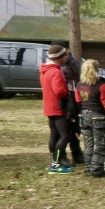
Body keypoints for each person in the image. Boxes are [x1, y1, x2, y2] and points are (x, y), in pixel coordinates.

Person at [75, 59, 105, 178]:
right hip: (99, 117)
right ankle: (97, 169)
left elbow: (78, 100)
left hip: (84, 116)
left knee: (89, 144)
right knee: (100, 144)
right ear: (97, 70)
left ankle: (89, 167)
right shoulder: (102, 85)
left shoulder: (79, 85)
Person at [40, 44, 74, 174]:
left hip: (49, 107)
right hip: (58, 107)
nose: (66, 57)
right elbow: (59, 91)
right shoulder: (56, 72)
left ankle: (53, 162)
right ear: (59, 57)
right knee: (65, 135)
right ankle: (56, 164)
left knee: (54, 135)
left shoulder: (45, 70)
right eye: (65, 55)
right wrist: (67, 92)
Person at [51, 39, 84, 165]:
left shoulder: (73, 62)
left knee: (75, 128)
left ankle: (76, 153)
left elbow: (79, 79)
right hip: (61, 101)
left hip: (73, 99)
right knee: (62, 132)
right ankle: (60, 157)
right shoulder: (54, 66)